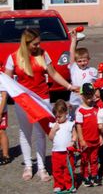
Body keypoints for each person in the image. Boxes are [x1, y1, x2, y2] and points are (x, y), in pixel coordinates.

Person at [4, 28, 77, 181]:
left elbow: (54, 73)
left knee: (40, 133)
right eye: (35, 44)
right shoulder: (13, 57)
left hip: (42, 99)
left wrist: (69, 86)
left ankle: (42, 168)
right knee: (25, 133)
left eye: (39, 43)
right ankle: (29, 166)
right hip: (23, 101)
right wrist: (2, 103)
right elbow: (6, 83)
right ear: (26, 43)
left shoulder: (43, 54)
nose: (38, 46)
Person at [48, 100, 77, 193]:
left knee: (69, 169)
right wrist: (53, 130)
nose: (57, 119)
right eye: (56, 117)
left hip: (67, 152)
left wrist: (73, 141)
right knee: (57, 170)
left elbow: (75, 135)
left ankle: (69, 185)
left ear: (66, 113)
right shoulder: (54, 125)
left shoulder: (70, 124)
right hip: (56, 152)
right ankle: (58, 185)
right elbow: (50, 137)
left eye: (60, 116)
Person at [75, 83, 101, 187]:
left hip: (95, 139)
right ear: (82, 95)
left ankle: (94, 175)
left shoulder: (96, 108)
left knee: (94, 159)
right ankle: (85, 176)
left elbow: (99, 124)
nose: (90, 97)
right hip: (85, 140)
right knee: (85, 159)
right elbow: (78, 126)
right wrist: (81, 140)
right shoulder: (80, 111)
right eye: (87, 95)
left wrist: (100, 136)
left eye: (91, 95)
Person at [68, 31, 98, 115]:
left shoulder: (92, 71)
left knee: (87, 116)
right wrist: (74, 40)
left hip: (88, 99)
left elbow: (97, 83)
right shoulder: (74, 68)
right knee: (74, 119)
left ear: (88, 59)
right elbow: (71, 53)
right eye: (79, 61)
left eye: (84, 60)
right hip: (75, 99)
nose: (82, 63)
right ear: (76, 61)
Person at [0, 79, 10, 165]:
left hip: (1, 110)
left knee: (1, 132)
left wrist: (0, 112)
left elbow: (4, 96)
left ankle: (5, 155)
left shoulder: (1, 78)